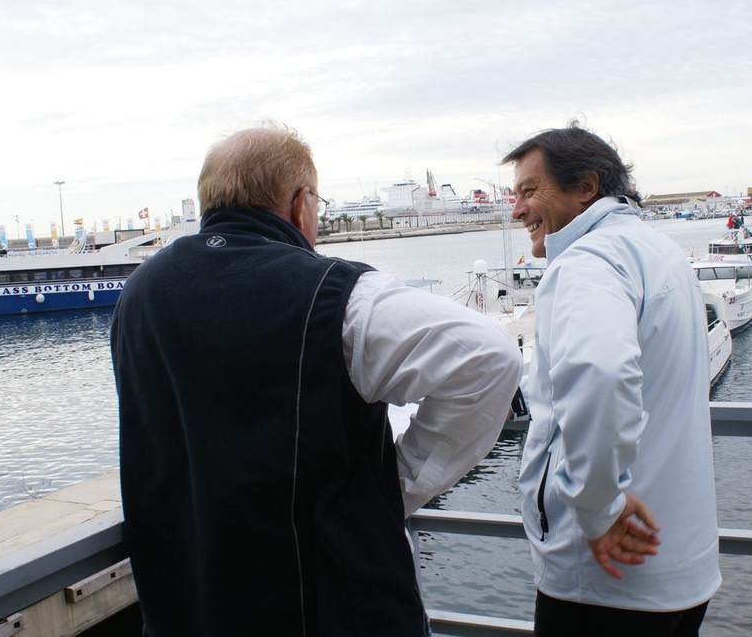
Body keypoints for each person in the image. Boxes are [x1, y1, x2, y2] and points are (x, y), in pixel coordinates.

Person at [111, 123, 522, 636]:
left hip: (189, 606)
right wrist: (395, 485)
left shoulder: (138, 295)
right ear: (302, 203)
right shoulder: (338, 295)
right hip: (327, 608)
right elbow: (491, 356)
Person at [503, 123, 721, 636]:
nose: (517, 210)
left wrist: (598, 509)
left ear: (586, 187)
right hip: (680, 569)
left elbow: (600, 374)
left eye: (530, 191)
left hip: (604, 577)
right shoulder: (658, 251)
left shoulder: (586, 261)